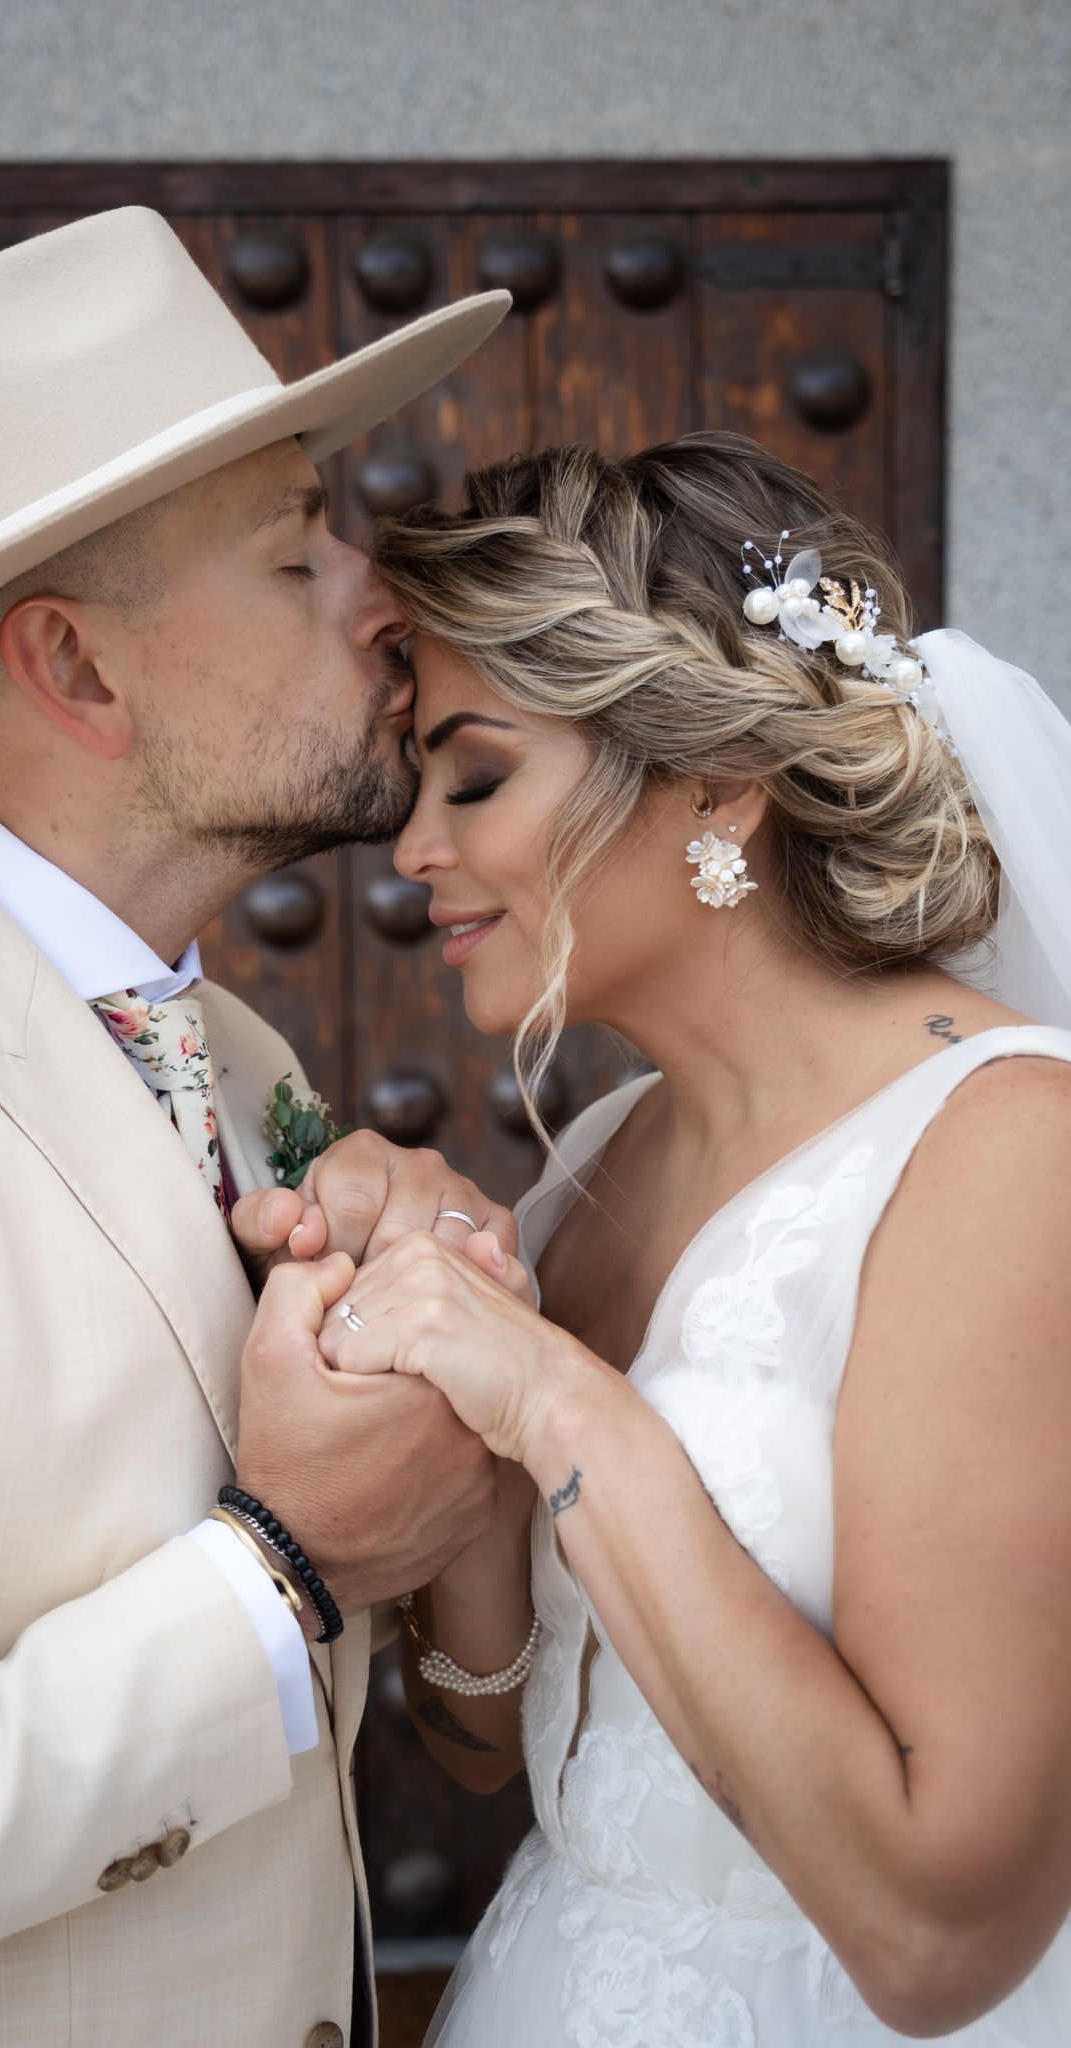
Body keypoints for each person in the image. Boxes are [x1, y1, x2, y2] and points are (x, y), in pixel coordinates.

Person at [0, 206, 519, 2048]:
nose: (379, 599)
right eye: (296, 550)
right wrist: (274, 1571)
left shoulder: (230, 1052)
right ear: (77, 671)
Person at [311, 433, 1071, 2044]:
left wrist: (556, 1401)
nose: (414, 856)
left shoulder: (1006, 1156)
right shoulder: (593, 1163)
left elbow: (941, 1943)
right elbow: (493, 1740)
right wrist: (420, 1329)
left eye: (476, 776)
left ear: (713, 780)